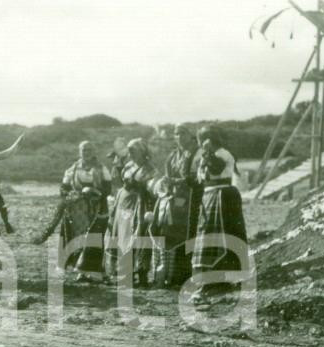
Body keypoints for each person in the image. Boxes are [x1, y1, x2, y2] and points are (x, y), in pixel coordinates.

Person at [190, 125, 248, 303]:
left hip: (222, 196)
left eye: (201, 140)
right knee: (208, 237)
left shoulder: (222, 154)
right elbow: (201, 178)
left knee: (222, 236)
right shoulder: (208, 155)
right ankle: (211, 281)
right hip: (210, 196)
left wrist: (207, 153)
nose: (200, 144)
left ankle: (223, 280)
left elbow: (215, 170)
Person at [148, 124, 201, 288]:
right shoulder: (173, 155)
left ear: (191, 135)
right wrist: (166, 183)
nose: (179, 137)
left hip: (192, 199)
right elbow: (167, 174)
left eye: (183, 133)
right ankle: (168, 275)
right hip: (173, 201)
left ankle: (184, 277)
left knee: (188, 234)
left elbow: (196, 177)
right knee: (169, 232)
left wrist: (177, 182)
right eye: (177, 134)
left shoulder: (197, 153)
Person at [56, 141, 113, 282]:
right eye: (83, 150)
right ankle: (79, 270)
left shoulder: (102, 168)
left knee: (93, 238)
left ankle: (93, 273)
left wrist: (95, 193)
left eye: (89, 150)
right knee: (76, 236)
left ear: (94, 152)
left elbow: (107, 189)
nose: (86, 153)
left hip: (96, 209)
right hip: (76, 210)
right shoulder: (73, 168)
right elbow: (64, 187)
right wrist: (70, 195)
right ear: (79, 152)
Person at [105, 139, 156, 287]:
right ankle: (124, 274)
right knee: (122, 235)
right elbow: (119, 182)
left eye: (133, 150)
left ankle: (142, 275)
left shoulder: (150, 169)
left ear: (142, 151)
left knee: (138, 236)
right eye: (129, 150)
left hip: (140, 204)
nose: (131, 153)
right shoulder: (128, 165)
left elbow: (152, 188)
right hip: (123, 202)